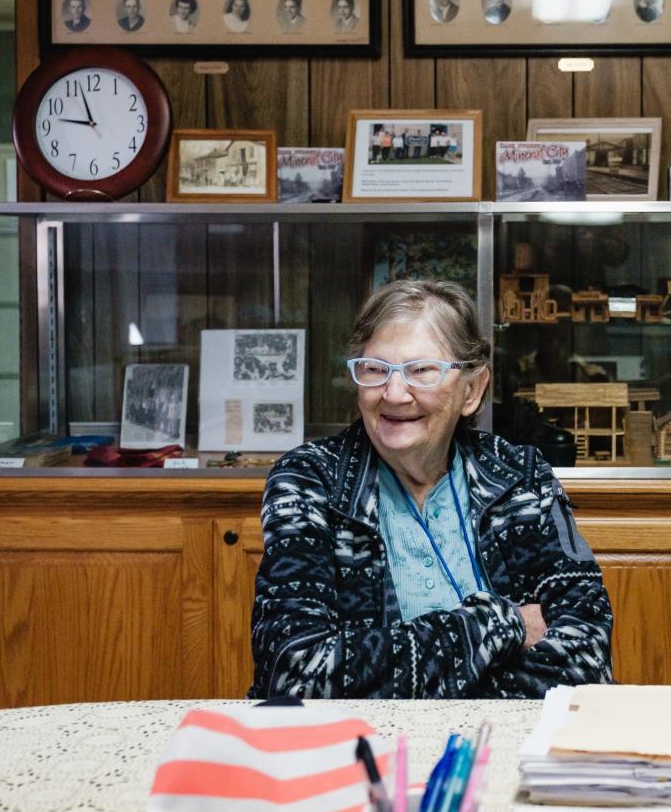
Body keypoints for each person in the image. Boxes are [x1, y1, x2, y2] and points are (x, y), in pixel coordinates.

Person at [250, 280, 614, 700]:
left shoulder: (521, 478)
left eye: (421, 370)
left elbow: (587, 655)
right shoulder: (310, 481)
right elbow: (296, 671)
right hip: (359, 750)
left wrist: (394, 674)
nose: (394, 393)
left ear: (472, 391)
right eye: (375, 369)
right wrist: (501, 624)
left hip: (513, 746)